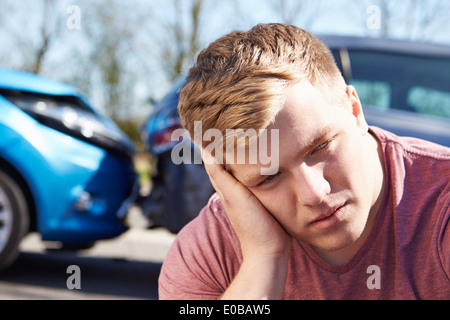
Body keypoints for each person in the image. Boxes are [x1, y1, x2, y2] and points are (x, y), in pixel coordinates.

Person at [158, 23, 450, 299]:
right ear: (228, 179)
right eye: (269, 178)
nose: (315, 193)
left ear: (355, 110)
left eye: (321, 146)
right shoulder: (206, 253)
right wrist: (263, 260)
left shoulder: (442, 201)